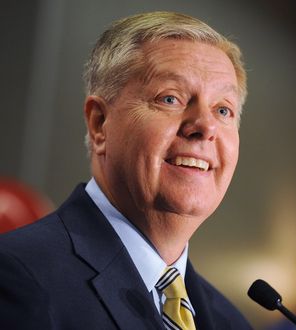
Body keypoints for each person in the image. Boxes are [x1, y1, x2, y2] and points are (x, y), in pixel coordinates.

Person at [0, 11, 251, 330]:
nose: (204, 126)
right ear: (99, 123)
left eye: (223, 109)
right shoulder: (16, 279)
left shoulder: (231, 322)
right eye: (170, 98)